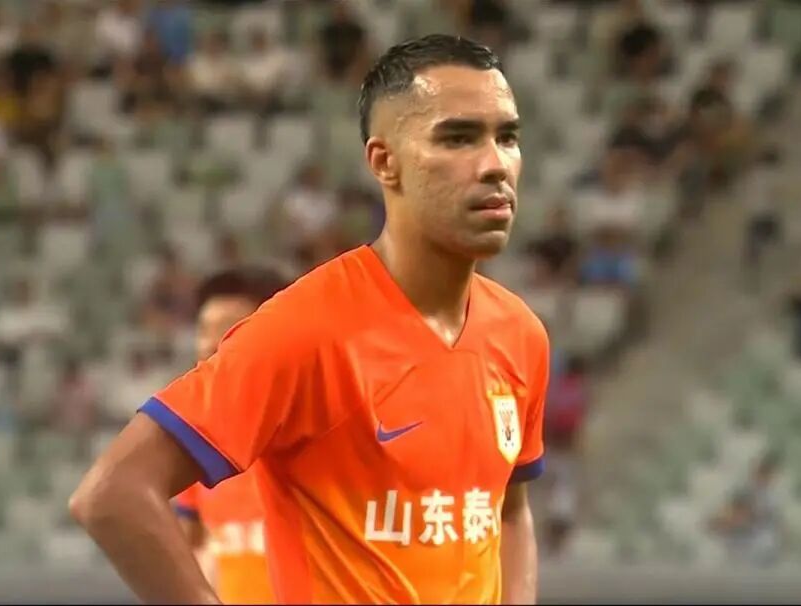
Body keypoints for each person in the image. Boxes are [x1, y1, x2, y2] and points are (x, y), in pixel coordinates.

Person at [70, 34, 549, 605]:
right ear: (385, 162)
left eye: (507, 137)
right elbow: (114, 493)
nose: (495, 164)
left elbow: (508, 512)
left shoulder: (520, 334)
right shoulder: (306, 330)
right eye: (458, 137)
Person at [173, 266, 289, 604]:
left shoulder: (327, 445)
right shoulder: (196, 450)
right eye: (203, 330)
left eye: (228, 329)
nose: (209, 345)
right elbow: (191, 548)